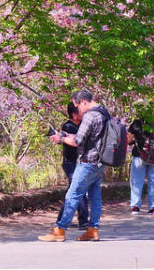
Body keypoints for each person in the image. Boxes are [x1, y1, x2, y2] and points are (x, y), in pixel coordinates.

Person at [39, 89, 108, 242]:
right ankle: (93, 230)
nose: (78, 109)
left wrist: (61, 138)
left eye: (77, 106)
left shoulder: (90, 115)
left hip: (88, 161)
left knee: (73, 194)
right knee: (95, 196)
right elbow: (90, 137)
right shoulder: (104, 112)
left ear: (83, 101)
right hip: (101, 161)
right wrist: (67, 135)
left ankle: (60, 230)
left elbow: (78, 142)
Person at [127, 102, 154, 216]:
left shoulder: (136, 122)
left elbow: (129, 140)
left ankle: (135, 206)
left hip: (139, 155)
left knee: (136, 181)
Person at [54, 102, 89, 230]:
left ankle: (62, 220)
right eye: (80, 111)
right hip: (70, 163)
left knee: (73, 192)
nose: (83, 113)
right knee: (79, 190)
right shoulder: (67, 126)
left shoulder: (82, 125)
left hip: (80, 162)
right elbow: (75, 142)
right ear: (74, 114)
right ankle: (83, 221)